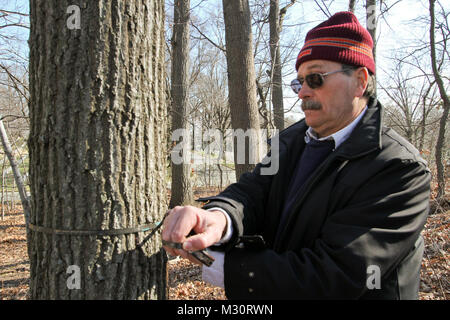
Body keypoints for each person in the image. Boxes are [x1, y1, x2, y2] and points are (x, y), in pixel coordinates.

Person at [162, 11, 431, 299]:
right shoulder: (291, 142)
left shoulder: (399, 168)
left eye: (315, 78)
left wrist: (231, 268)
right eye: (298, 82)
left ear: (360, 81)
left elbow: (338, 275)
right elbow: (253, 192)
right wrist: (218, 218)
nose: (302, 92)